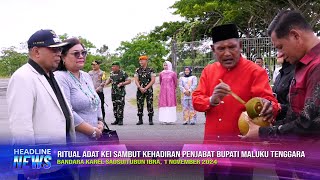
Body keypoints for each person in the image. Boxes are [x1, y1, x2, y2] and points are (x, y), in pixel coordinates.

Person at [192, 24, 279, 179]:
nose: (227, 53)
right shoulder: (209, 71)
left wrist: (268, 106)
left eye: (232, 47)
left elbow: (270, 102)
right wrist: (212, 100)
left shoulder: (255, 71)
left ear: (240, 45)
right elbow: (197, 101)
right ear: (213, 49)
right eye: (221, 49)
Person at [242, 10, 320, 180]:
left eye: (280, 47)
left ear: (295, 36)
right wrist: (274, 110)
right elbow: (298, 113)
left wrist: (264, 133)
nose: (280, 54)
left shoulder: (317, 66)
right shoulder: (303, 66)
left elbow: (310, 124)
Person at [7, 29, 76, 179]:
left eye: (60, 49)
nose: (59, 53)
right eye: (54, 49)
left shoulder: (50, 75)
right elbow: (21, 126)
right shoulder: (23, 77)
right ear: (36, 52)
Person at [54, 38, 104, 180]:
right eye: (75, 53)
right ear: (63, 56)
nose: (81, 56)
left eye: (83, 52)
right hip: (74, 142)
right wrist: (92, 131)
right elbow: (67, 111)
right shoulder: (60, 77)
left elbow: (95, 100)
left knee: (85, 176)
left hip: (92, 140)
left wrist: (100, 122)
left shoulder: (86, 76)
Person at [105, 61, 131, 125]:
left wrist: (122, 83)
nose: (112, 67)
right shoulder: (111, 73)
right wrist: (106, 83)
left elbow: (129, 81)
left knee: (120, 106)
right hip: (113, 92)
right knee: (115, 106)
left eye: (114, 66)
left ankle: (120, 120)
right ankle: (116, 119)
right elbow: (109, 80)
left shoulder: (123, 73)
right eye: (112, 66)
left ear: (118, 67)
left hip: (120, 93)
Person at [134, 55, 156, 125]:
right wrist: (140, 88)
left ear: (146, 61)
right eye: (140, 60)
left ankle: (150, 119)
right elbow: (136, 80)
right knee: (139, 104)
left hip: (148, 90)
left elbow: (153, 80)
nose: (140, 62)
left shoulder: (151, 70)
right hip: (140, 90)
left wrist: (146, 88)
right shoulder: (137, 70)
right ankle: (140, 120)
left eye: (142, 60)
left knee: (150, 104)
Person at [272, 54, 294, 122]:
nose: (277, 54)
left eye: (281, 48)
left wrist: (278, 107)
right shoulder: (279, 75)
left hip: (289, 123)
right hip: (277, 121)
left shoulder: (295, 74)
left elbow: (297, 108)